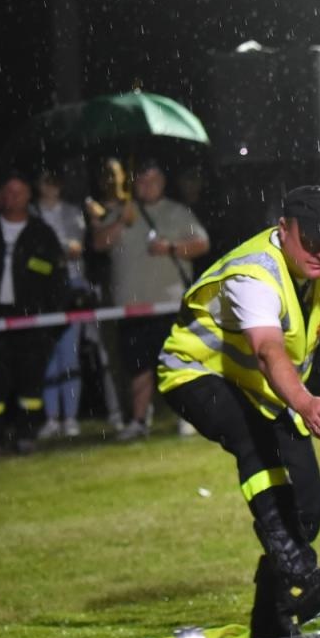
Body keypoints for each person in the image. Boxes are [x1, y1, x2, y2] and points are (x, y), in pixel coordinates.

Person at [158, 186, 320, 638]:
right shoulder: (254, 276)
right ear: (283, 230)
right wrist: (304, 401)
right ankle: (302, 576)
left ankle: (270, 614)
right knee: (251, 441)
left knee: (309, 506)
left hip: (267, 389)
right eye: (309, 238)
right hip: (195, 372)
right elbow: (267, 349)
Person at [90, 159, 210, 440]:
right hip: (131, 307)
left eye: (153, 180)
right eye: (142, 180)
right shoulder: (120, 211)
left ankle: (187, 417)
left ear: (163, 183)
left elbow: (202, 243)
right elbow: (98, 244)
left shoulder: (177, 212)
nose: (148, 185)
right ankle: (139, 420)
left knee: (178, 363)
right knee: (137, 368)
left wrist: (170, 247)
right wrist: (121, 220)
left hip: (169, 303)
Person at [0, 173, 68, 455]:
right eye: (8, 192)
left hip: (31, 320)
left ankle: (26, 432)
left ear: (29, 196)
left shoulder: (41, 234)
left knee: (30, 381)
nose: (13, 198)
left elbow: (56, 279)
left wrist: (48, 320)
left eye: (19, 192)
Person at [34, 169, 88, 439]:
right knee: (48, 356)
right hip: (44, 293)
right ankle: (51, 417)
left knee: (70, 354)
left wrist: (59, 252)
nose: (51, 186)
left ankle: (70, 418)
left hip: (72, 289)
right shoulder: (32, 214)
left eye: (55, 180)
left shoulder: (72, 211)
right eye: (47, 180)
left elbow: (77, 246)